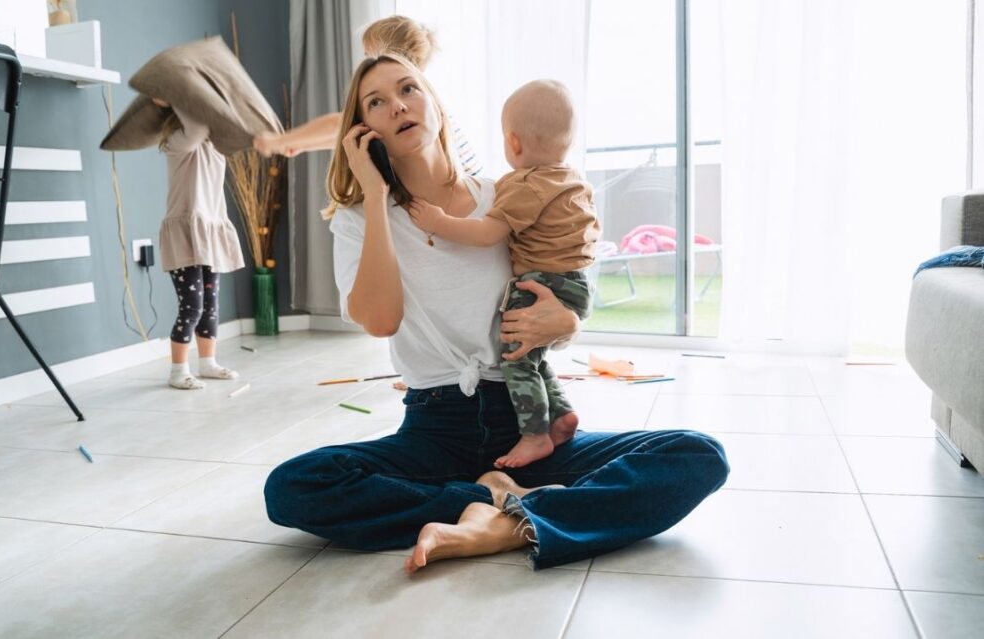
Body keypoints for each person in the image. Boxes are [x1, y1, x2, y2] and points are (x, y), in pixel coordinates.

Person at [261, 53, 729, 572]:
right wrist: (373, 196)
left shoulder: (507, 195)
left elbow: (561, 283)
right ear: (364, 130)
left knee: (695, 455)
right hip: (434, 428)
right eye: (376, 101)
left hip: (525, 424)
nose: (397, 105)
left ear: (435, 105)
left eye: (408, 89)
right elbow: (381, 320)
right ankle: (496, 504)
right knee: (293, 487)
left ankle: (502, 521)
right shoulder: (358, 221)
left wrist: (568, 324)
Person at [408, 79, 600, 468]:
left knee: (515, 358)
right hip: (577, 284)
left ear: (513, 142)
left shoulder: (524, 185)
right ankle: (561, 415)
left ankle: (533, 436)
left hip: (539, 281)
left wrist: (439, 221)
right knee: (535, 356)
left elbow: (486, 233)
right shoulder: (572, 178)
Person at [253, 15, 482, 176]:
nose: (366, 63)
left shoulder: (424, 105)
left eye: (368, 55)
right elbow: (353, 131)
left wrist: (281, 140)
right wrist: (303, 145)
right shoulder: (416, 101)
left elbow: (338, 124)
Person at [153, 98, 245, 390]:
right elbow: (196, 127)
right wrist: (180, 99)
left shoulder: (213, 146)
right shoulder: (176, 142)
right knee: (192, 306)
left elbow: (229, 130)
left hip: (209, 229)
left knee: (211, 306)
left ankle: (208, 363)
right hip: (185, 232)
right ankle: (177, 370)